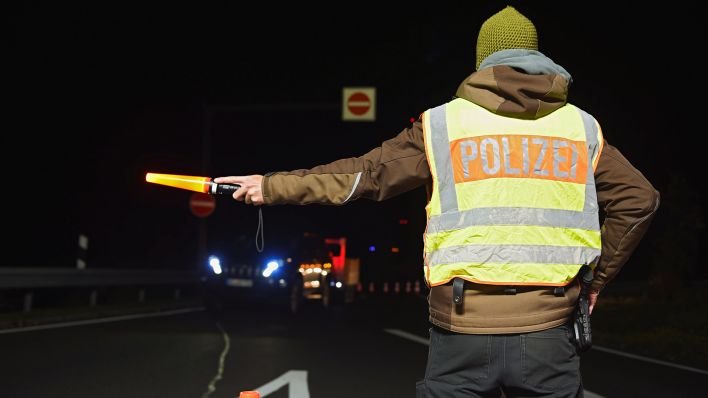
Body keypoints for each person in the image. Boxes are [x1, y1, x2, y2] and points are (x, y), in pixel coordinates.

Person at [215, 6, 659, 398]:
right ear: (537, 60)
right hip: (549, 330)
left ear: (483, 62)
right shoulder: (581, 129)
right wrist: (595, 282)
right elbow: (640, 199)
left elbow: (363, 177)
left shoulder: (443, 124)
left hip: (461, 329)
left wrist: (270, 186)